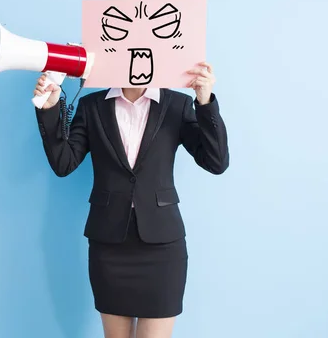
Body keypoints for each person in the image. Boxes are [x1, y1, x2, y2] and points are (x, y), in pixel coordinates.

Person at [33, 62, 229, 338]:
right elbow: (64, 163)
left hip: (162, 247)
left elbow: (216, 161)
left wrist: (205, 101)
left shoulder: (177, 105)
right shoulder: (92, 106)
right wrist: (50, 108)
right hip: (109, 245)